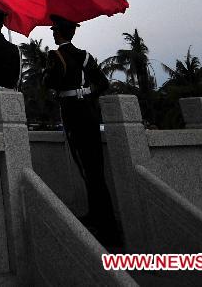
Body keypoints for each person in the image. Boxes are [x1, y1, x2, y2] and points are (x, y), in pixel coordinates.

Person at [43, 14, 120, 245]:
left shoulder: (56, 55)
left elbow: (50, 82)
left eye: (55, 30)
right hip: (89, 112)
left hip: (72, 113)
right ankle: (99, 217)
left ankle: (106, 226)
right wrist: (87, 97)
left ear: (60, 33)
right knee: (94, 166)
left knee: (86, 167)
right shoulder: (85, 56)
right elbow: (103, 83)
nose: (53, 33)